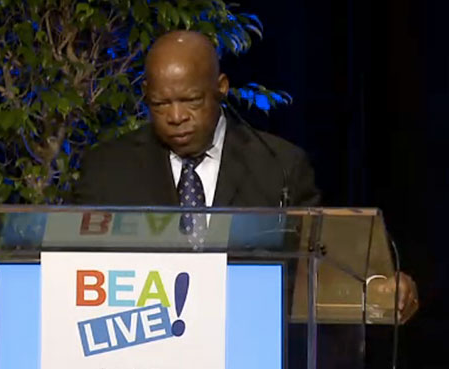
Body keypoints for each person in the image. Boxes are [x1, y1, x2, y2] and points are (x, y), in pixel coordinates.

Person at [72, 30, 419, 320]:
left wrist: (377, 288)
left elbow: (318, 269)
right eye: (161, 104)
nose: (176, 116)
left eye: (191, 100)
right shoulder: (107, 169)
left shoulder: (279, 165)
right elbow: (72, 268)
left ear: (221, 87)